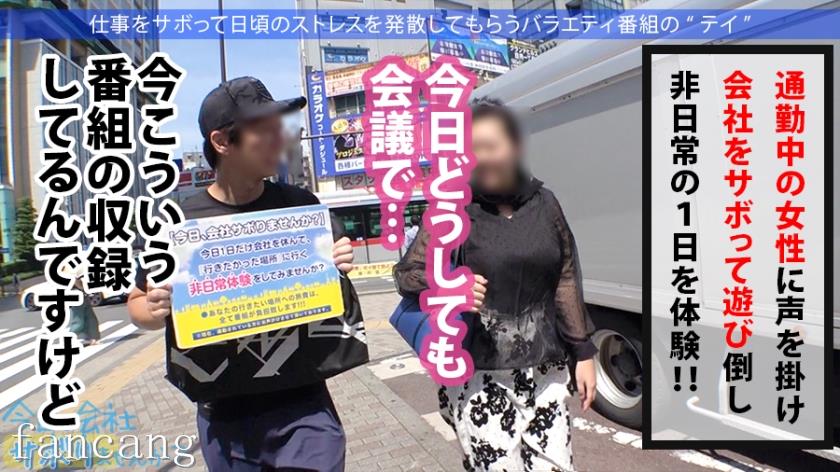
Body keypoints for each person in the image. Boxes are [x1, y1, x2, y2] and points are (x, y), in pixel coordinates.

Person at [127, 77, 355, 472]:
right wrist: (154, 307)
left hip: (304, 404)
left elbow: (332, 282)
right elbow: (137, 306)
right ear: (221, 142)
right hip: (224, 416)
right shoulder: (179, 224)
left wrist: (339, 260)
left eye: (279, 128)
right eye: (263, 131)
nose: (279, 139)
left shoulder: (300, 206)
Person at [394, 98, 597, 472]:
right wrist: (448, 286)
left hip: (546, 372)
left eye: (490, 146)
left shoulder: (545, 203)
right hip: (479, 373)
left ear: (515, 146)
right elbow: (407, 274)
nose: (481, 158)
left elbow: (565, 275)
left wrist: (582, 351)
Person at [69, 278, 100, 346]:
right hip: (77, 295)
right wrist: (83, 287)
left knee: (90, 318)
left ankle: (92, 338)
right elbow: (74, 279)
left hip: (82, 294)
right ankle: (69, 338)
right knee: (79, 320)